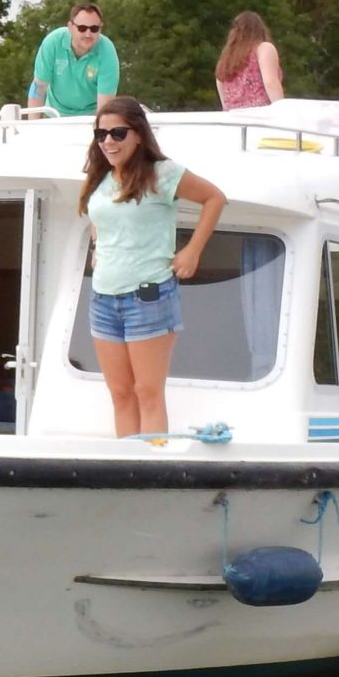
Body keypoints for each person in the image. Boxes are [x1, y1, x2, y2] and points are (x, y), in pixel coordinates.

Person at [79, 96, 227, 439]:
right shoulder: (101, 178)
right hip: (103, 298)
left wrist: (191, 251)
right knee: (120, 393)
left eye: (117, 133)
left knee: (147, 391)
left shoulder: (163, 173)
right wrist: (99, 247)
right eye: (101, 135)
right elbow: (101, 220)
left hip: (148, 296)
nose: (108, 142)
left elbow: (214, 198)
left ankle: (152, 467)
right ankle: (126, 467)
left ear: (139, 135)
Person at [25, 3, 119, 117]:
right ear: (70, 27)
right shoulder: (53, 42)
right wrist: (33, 127)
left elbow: (105, 104)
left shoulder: (107, 51)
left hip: (90, 118)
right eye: (82, 28)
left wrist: (99, 131)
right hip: (54, 115)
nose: (88, 34)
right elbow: (38, 88)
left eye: (94, 29)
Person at [215, 11, 286, 109]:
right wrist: (282, 110)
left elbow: (223, 98)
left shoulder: (226, 61)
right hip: (260, 115)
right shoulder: (263, 49)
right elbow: (270, 83)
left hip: (234, 119)